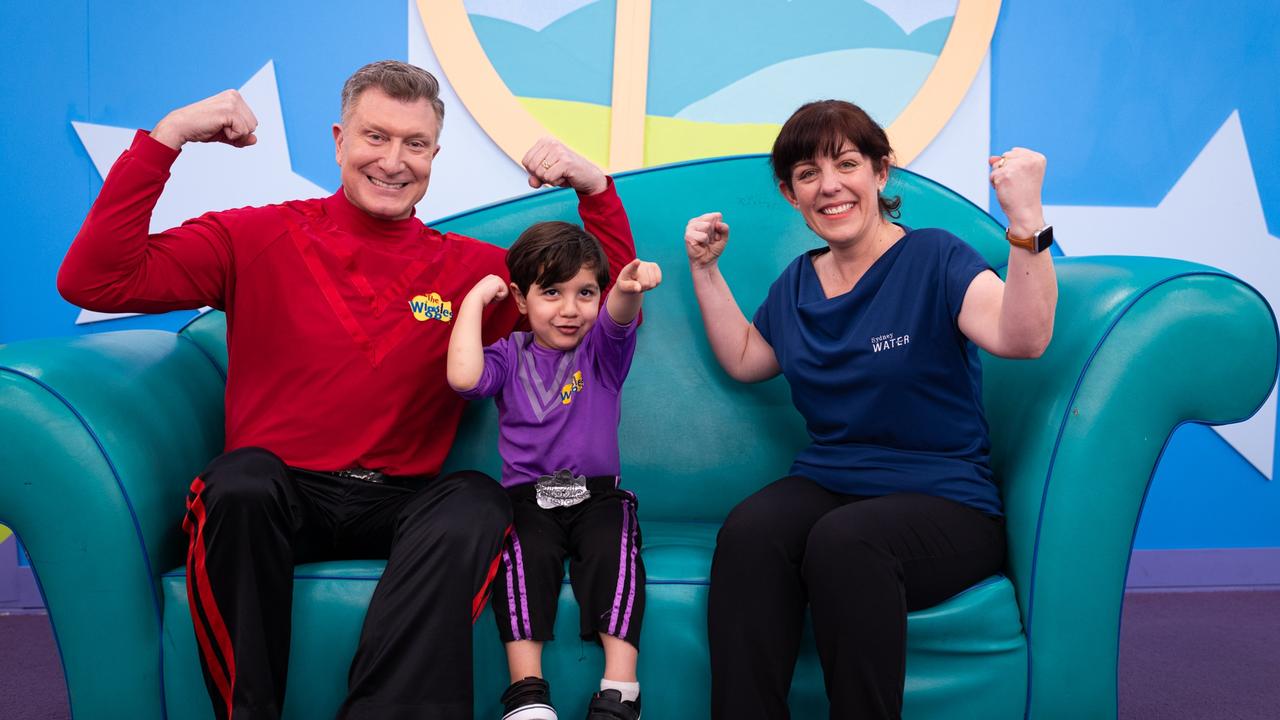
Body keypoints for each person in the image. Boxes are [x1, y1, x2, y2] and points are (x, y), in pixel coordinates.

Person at [57, 60, 637, 720]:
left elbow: (606, 308)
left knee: (478, 500)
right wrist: (168, 136)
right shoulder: (253, 236)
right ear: (338, 139)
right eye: (375, 137)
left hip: (403, 502)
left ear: (435, 156)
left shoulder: (473, 270)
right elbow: (94, 281)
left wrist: (596, 190)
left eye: (414, 144)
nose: (393, 161)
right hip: (282, 495)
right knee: (237, 482)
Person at [683, 99, 1057, 720]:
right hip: (834, 481)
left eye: (847, 163)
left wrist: (1026, 218)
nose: (829, 186)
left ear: (881, 174)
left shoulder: (937, 257)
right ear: (790, 194)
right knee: (750, 531)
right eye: (807, 174)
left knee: (844, 542)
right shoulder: (798, 283)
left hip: (946, 500)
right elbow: (749, 357)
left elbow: (1025, 337)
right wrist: (705, 271)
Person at [446, 219, 661, 720]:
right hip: (528, 498)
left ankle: (620, 688)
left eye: (585, 292)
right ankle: (528, 693)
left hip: (598, 496)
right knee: (521, 551)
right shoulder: (507, 354)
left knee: (616, 545)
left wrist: (626, 289)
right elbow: (462, 377)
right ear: (521, 300)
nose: (569, 309)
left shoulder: (601, 352)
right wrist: (476, 300)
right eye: (551, 293)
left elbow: (619, 316)